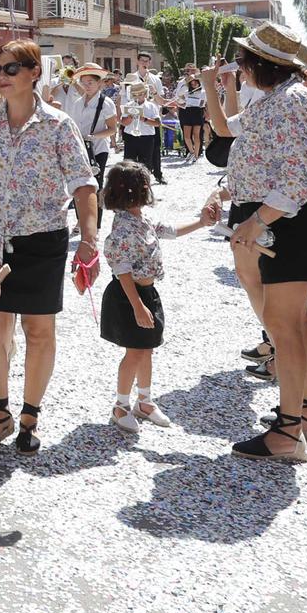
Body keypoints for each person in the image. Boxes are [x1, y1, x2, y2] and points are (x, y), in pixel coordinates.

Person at [203, 22, 307, 462]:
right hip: (287, 217)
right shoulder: (279, 99)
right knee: (294, 324)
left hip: (289, 220)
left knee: (284, 327)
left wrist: (256, 220)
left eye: (242, 62)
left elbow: (299, 176)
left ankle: (288, 431)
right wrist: (213, 87)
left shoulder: (290, 102)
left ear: (261, 65)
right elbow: (226, 130)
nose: (239, 68)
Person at [0, 38, 97, 457]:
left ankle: (30, 417)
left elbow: (83, 183)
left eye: (10, 69)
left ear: (34, 72)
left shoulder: (59, 125)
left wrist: (89, 239)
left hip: (43, 239)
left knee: (38, 331)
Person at [99, 161, 206, 433]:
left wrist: (202, 222)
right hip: (129, 296)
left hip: (145, 293)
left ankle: (144, 401)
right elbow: (122, 270)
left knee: (146, 349)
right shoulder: (123, 228)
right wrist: (137, 306)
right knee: (134, 352)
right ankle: (120, 405)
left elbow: (169, 230)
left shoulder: (141, 218)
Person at [51, 64, 119, 189]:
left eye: (90, 82)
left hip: (98, 149)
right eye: (83, 83)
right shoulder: (77, 103)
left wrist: (92, 136)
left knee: (96, 186)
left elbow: (112, 129)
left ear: (99, 83)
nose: (86, 86)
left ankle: (97, 209)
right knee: (79, 186)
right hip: (79, 149)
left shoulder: (106, 103)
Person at [119, 77, 165, 184]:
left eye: (140, 94)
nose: (137, 97)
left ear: (145, 94)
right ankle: (129, 184)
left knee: (145, 163)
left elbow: (157, 123)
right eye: (135, 94)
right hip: (131, 137)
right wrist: (130, 117)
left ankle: (144, 184)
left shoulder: (151, 106)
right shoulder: (128, 106)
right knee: (129, 163)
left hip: (146, 138)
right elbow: (124, 123)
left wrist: (144, 118)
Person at [176, 64, 209, 161]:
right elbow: (178, 95)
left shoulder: (202, 86)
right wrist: (187, 82)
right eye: (190, 70)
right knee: (186, 136)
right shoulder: (184, 84)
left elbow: (204, 101)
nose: (192, 72)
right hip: (186, 111)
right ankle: (191, 151)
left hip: (198, 111)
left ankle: (196, 155)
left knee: (197, 135)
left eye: (194, 70)